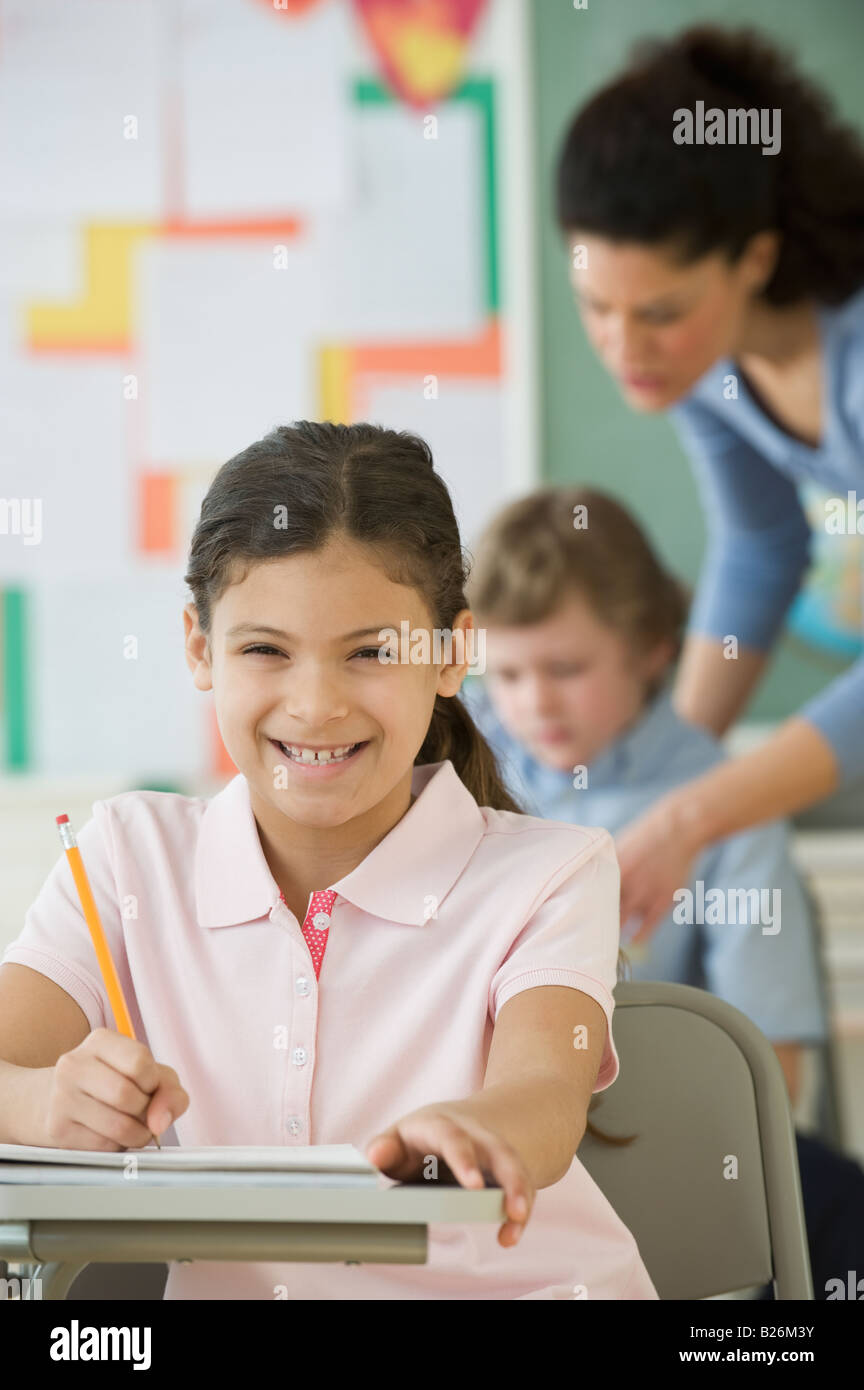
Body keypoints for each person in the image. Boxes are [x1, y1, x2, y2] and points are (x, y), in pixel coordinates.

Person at [0, 421, 657, 1301]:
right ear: (200, 647)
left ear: (451, 654)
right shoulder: (124, 859)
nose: (315, 706)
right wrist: (40, 1106)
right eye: (264, 649)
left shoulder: (553, 871)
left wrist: (474, 1132)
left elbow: (544, 1094)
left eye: (371, 653)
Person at [461, 483, 864, 1300]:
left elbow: (771, 1082)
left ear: (651, 650)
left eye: (566, 669)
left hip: (649, 1158)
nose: (533, 702)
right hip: (478, 1154)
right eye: (505, 672)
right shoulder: (447, 769)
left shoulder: (726, 808)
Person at [554, 24, 864, 937]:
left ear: (755, 260)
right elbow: (763, 544)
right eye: (595, 305)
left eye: (658, 312)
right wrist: (666, 767)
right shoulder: (701, 360)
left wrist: (690, 813)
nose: (622, 347)